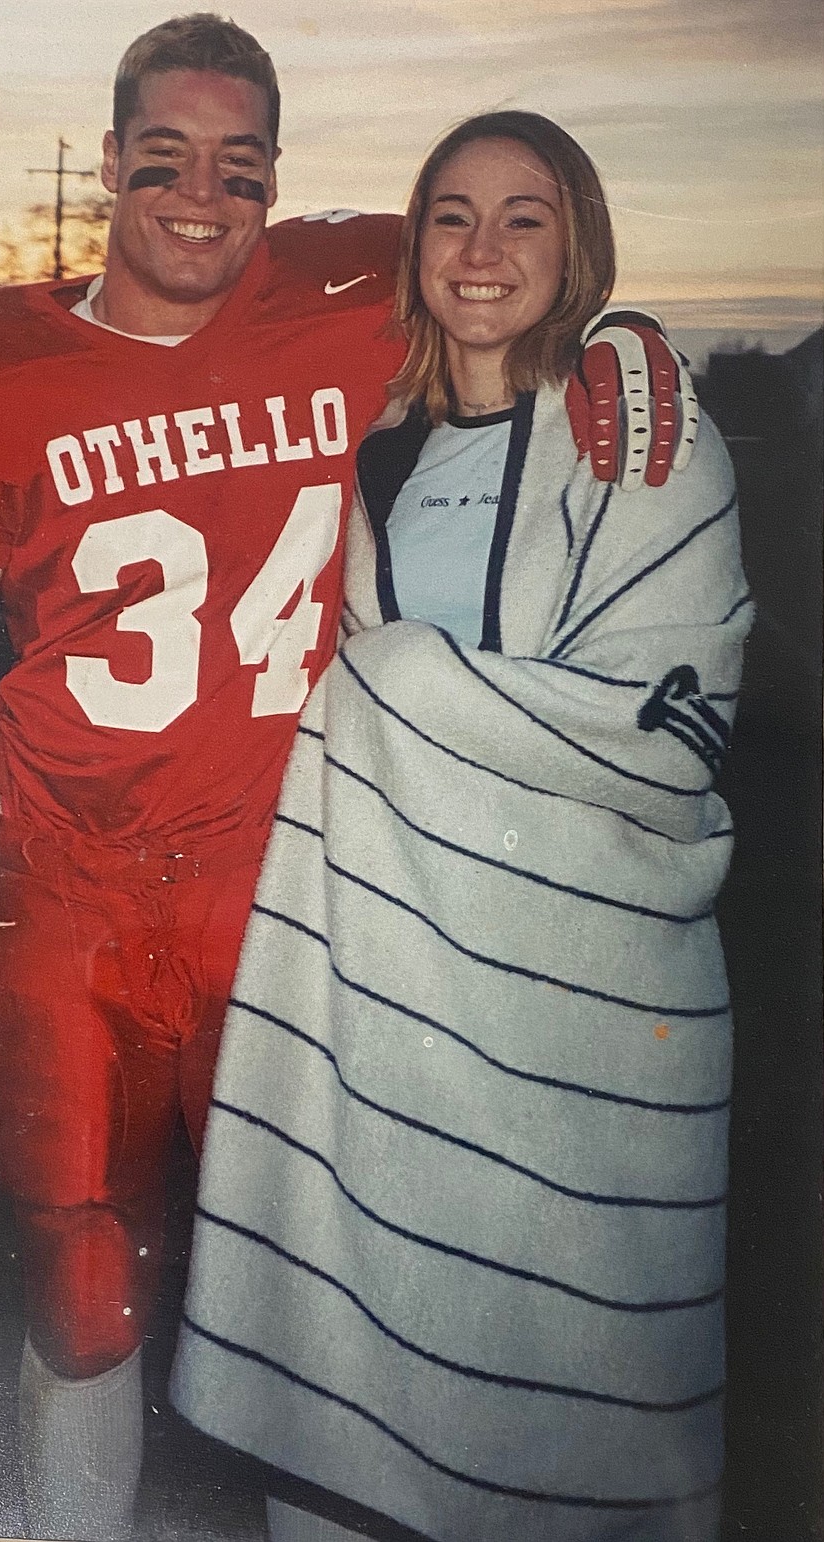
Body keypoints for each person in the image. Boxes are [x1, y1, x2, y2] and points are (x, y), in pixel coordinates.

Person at [0, 17, 684, 1534]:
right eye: (164, 158)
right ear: (115, 163)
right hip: (64, 899)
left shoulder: (341, 302)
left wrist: (613, 332)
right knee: (78, 1286)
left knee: (325, 1304)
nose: (199, 195)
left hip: (282, 883)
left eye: (238, 166)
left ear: (274, 182)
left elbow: (505, 270)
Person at [172, 111, 750, 1542]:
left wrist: (402, 687)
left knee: (571, 1390)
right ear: (410, 244)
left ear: (577, 249)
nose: (481, 249)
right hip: (399, 991)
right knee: (374, 1360)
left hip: (587, 998)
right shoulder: (374, 453)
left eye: (523, 217)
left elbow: (672, 718)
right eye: (449, 214)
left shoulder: (640, 428)